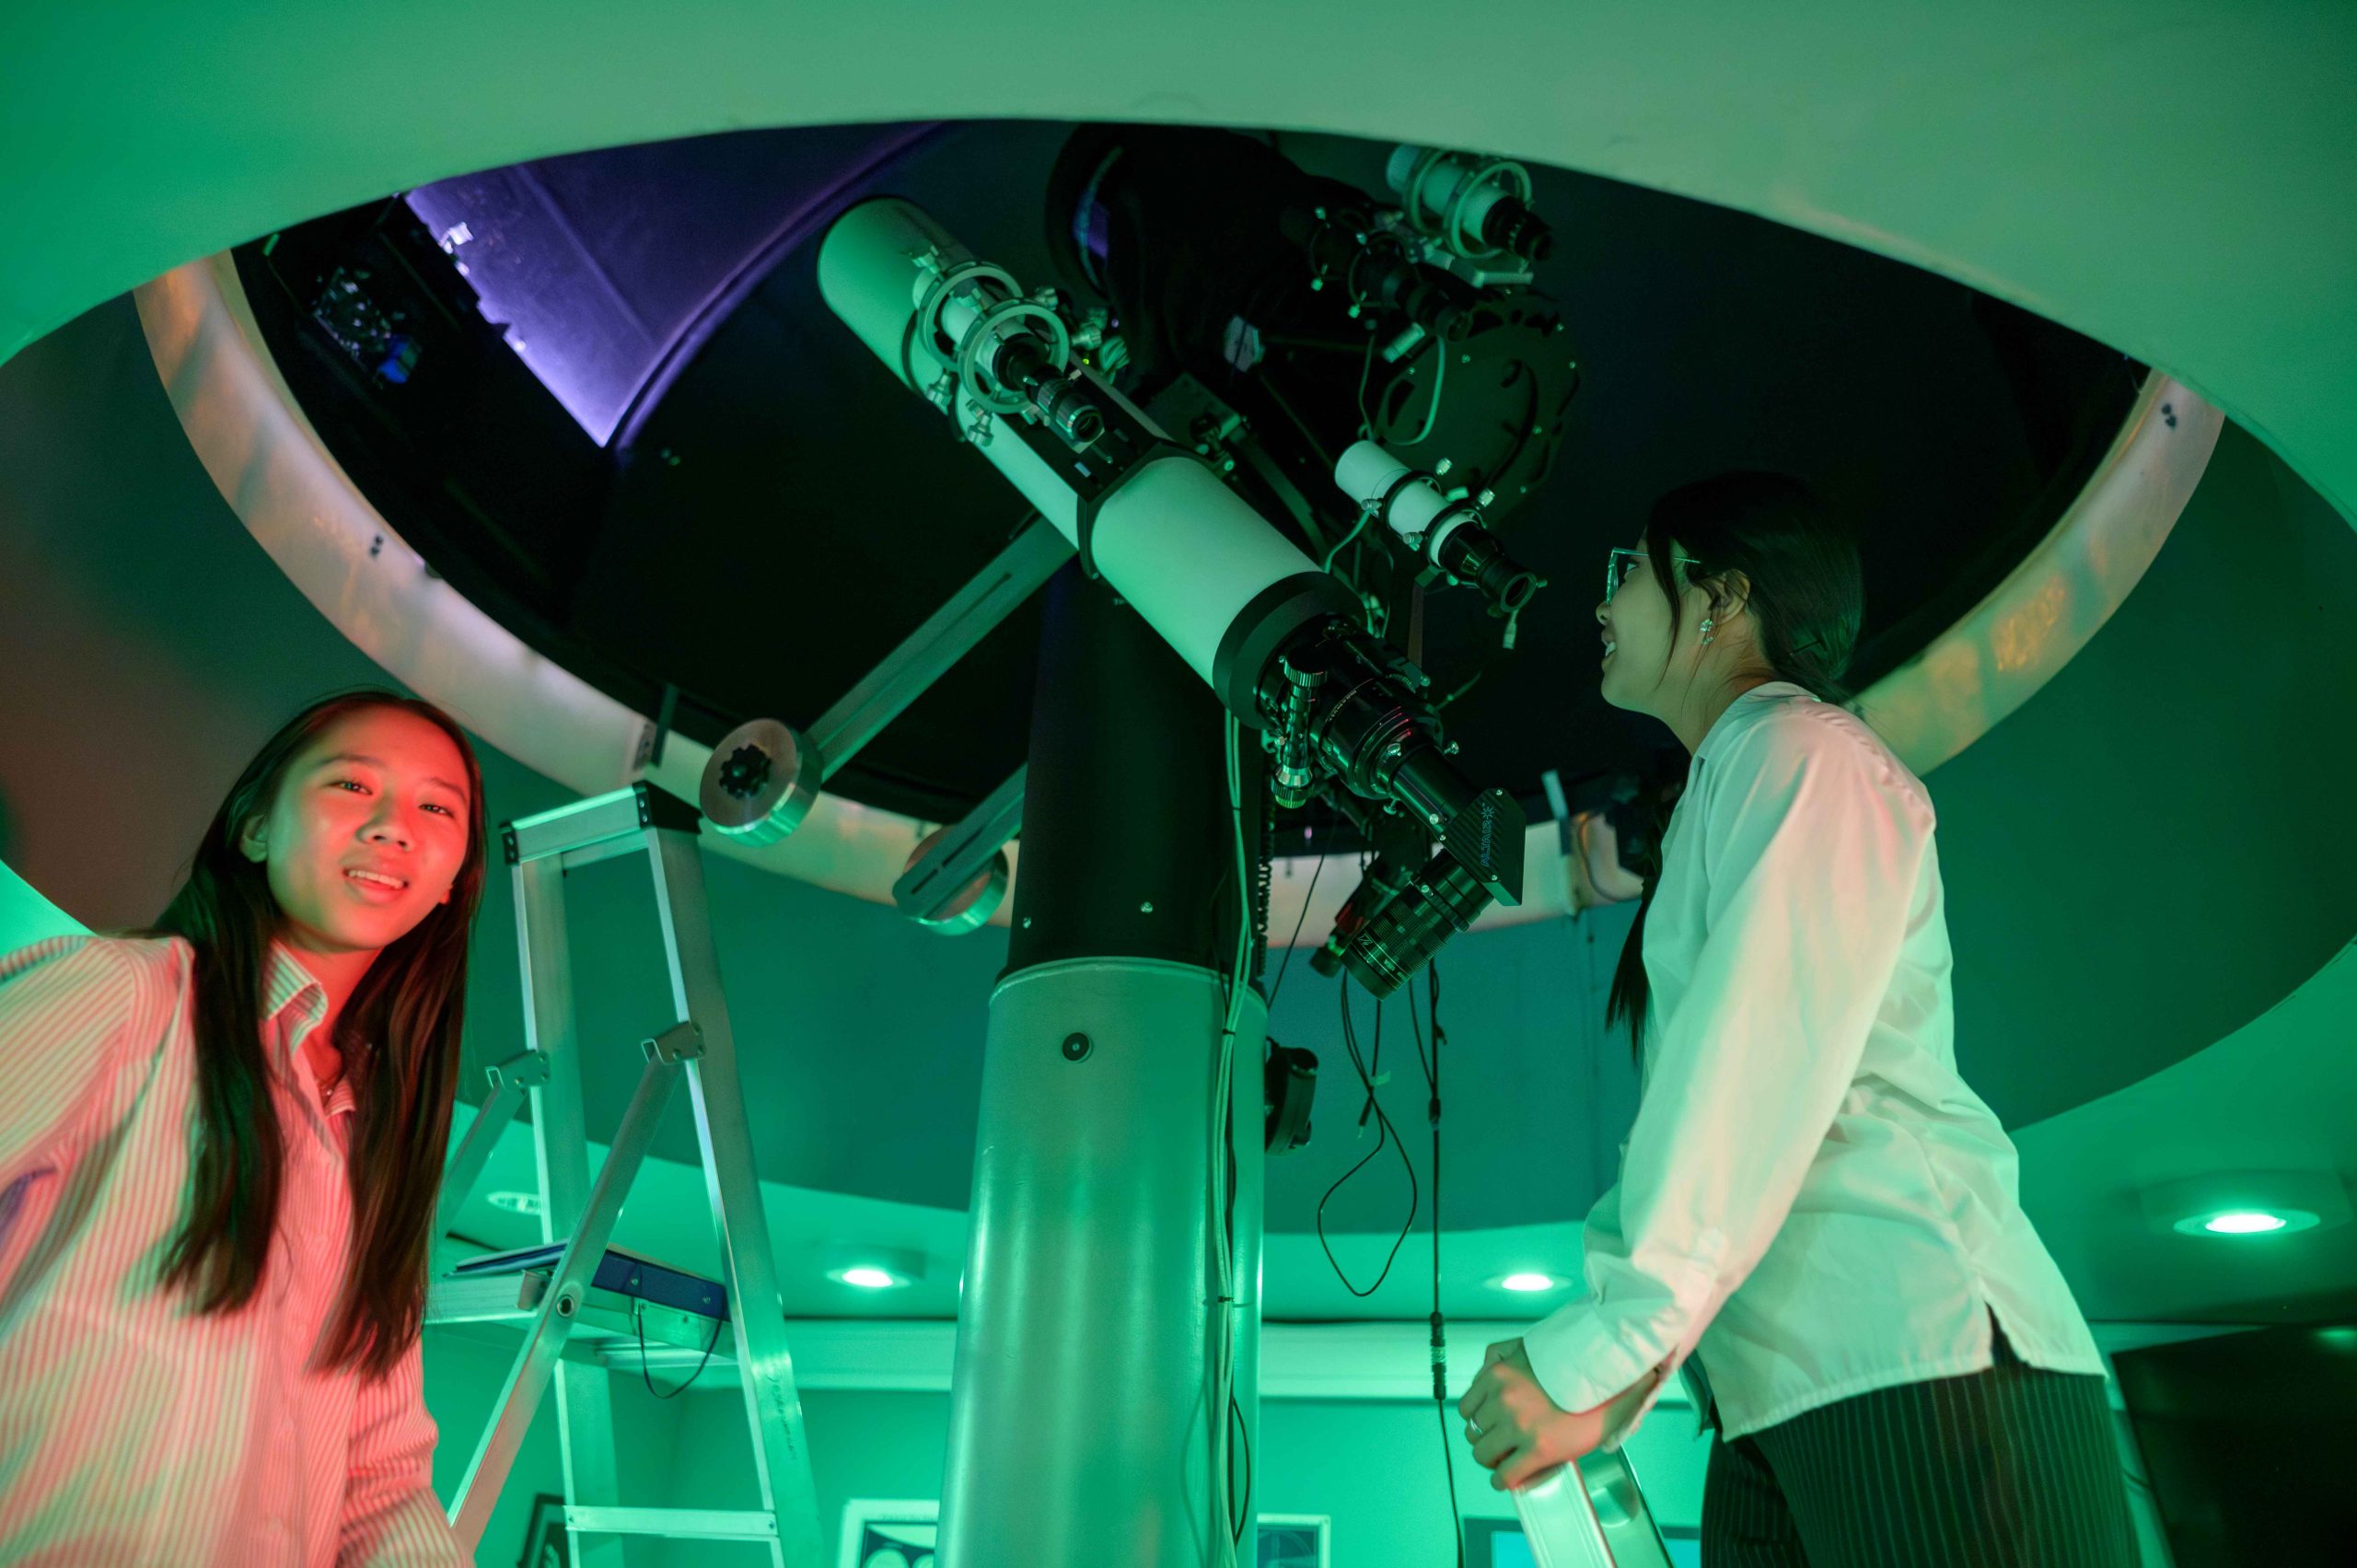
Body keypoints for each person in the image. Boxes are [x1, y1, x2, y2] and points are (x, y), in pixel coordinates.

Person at [1456, 475, 2139, 1564]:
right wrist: (1617, 1353)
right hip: (1776, 1388)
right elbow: (1712, 1102)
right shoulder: (1738, 779)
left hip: (1917, 1351)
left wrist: (1604, 1348)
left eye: (1628, 570)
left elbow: (1748, 1075)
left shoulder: (1804, 754)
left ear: (1722, 597)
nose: (1601, 600)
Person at [0, 690, 487, 1565]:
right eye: (352, 784)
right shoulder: (124, 994)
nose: (393, 826)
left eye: (437, 808)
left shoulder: (377, 1149)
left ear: (452, 881)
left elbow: (380, 1479)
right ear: (256, 828)